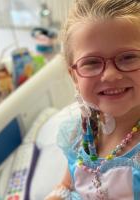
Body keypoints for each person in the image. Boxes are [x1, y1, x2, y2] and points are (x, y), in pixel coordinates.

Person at [45, 0, 140, 199]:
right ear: (74, 77)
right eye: (91, 62)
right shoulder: (79, 135)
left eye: (129, 57)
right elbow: (67, 187)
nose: (111, 75)